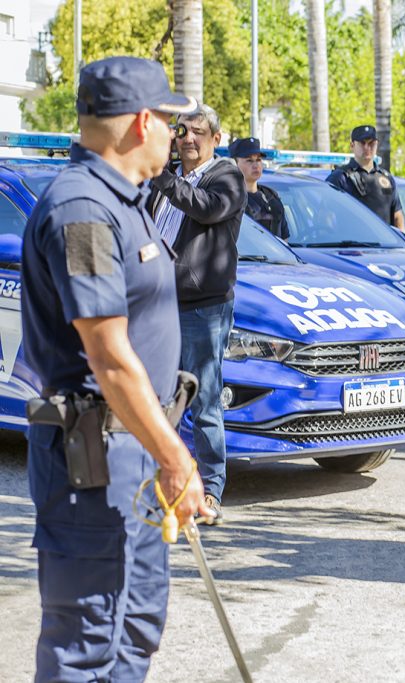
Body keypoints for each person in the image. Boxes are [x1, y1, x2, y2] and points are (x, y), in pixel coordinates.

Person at [21, 55, 210, 680]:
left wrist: (163, 451)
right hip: (95, 465)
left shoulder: (125, 202)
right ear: (139, 122)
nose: (178, 135)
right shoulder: (81, 210)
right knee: (86, 642)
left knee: (135, 629)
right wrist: (177, 458)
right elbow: (106, 354)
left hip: (137, 456)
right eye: (172, 123)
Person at [148, 103, 246, 524]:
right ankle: (163, 486)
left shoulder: (226, 176)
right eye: (182, 130)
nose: (188, 138)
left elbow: (206, 208)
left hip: (201, 308)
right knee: (157, 401)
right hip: (156, 304)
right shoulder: (167, 179)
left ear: (216, 139)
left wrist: (164, 178)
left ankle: (210, 491)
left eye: (198, 132)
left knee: (205, 402)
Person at [326, 124, 405, 230]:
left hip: (385, 245)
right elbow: (326, 215)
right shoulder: (340, 177)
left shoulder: (386, 178)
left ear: (377, 145)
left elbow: (397, 216)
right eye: (362, 143)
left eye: (372, 143)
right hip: (352, 244)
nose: (367, 148)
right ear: (352, 146)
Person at [230, 136, 289, 240]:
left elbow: (284, 239)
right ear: (235, 164)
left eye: (258, 160)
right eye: (249, 160)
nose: (256, 165)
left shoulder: (271, 197)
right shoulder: (230, 198)